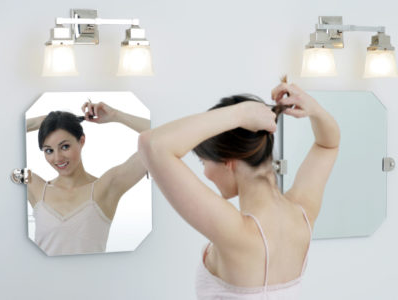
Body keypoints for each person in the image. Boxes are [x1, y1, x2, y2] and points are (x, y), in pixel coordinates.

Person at [138, 82, 340, 299]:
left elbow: (153, 145)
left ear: (228, 162)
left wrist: (240, 114)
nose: (205, 173)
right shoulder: (302, 215)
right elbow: (328, 145)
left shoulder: (236, 232)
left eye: (203, 162)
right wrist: (315, 110)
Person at [26, 101, 150, 256]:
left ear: (82, 141)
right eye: (49, 150)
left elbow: (162, 139)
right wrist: (42, 121)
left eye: (65, 147)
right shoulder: (34, 186)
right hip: (41, 280)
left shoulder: (106, 187)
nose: (57, 158)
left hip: (94, 280)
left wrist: (116, 115)